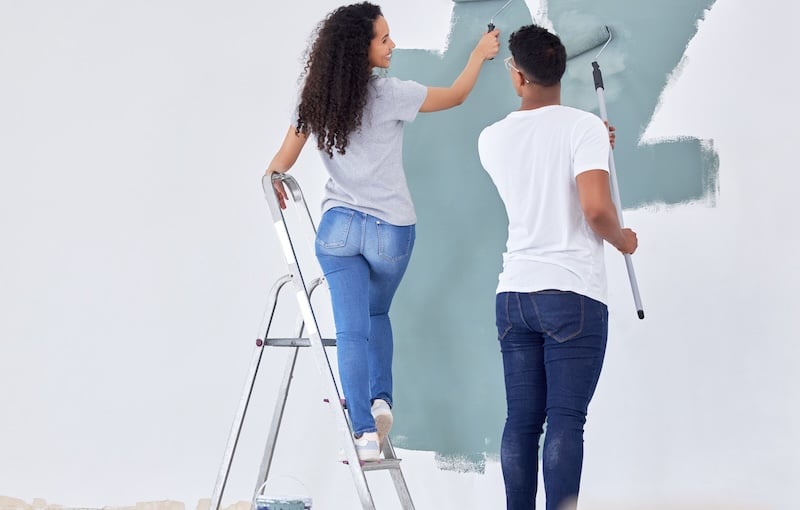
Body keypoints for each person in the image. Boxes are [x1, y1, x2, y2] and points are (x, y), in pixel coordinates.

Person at [265, 2, 499, 462]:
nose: (393, 45)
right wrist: (478, 53)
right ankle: (380, 402)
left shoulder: (313, 97)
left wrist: (273, 181)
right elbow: (456, 96)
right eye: (384, 38)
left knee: (350, 331)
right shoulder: (391, 94)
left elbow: (281, 161)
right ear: (360, 48)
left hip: (338, 230)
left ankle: (363, 435)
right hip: (389, 232)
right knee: (376, 315)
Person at [477, 25, 638, 510]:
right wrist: (623, 241)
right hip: (571, 294)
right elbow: (596, 210)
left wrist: (593, 144)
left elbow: (537, 165)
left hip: (515, 295)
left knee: (522, 422)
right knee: (566, 419)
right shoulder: (584, 128)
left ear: (518, 75)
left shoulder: (490, 139)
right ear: (559, 71)